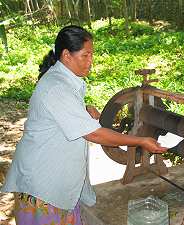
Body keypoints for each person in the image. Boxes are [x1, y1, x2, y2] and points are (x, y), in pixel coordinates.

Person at [1, 25, 167, 225]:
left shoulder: (63, 80)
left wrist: (83, 110)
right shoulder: (56, 87)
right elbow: (94, 134)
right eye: (85, 55)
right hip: (42, 187)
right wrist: (140, 140)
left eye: (92, 55)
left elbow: (61, 115)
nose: (91, 61)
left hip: (55, 183)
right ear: (66, 55)